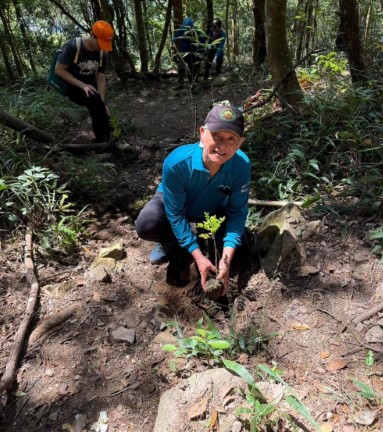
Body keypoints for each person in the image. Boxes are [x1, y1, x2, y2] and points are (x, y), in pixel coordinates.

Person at [135, 103, 250, 295]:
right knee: (147, 224)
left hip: (213, 211)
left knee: (241, 249)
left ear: (240, 143)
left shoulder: (241, 165)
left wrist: (226, 260)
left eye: (231, 139)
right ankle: (172, 241)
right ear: (202, 133)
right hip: (177, 204)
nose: (223, 145)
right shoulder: (177, 163)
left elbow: (237, 212)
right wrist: (197, 255)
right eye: (217, 136)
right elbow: (175, 213)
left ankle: (205, 239)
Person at [55, 20, 115, 143]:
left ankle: (108, 139)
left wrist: (102, 103)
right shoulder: (73, 47)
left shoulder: (103, 53)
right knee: (95, 102)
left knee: (100, 108)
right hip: (73, 87)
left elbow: (101, 78)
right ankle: (104, 141)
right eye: (100, 43)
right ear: (92, 35)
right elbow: (59, 70)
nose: (101, 47)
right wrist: (82, 85)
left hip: (91, 88)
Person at [172, 17, 206, 90]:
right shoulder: (182, 29)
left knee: (192, 68)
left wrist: (201, 52)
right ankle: (180, 84)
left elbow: (203, 40)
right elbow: (175, 36)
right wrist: (173, 43)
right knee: (181, 67)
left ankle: (193, 84)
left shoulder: (197, 31)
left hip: (192, 53)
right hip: (182, 52)